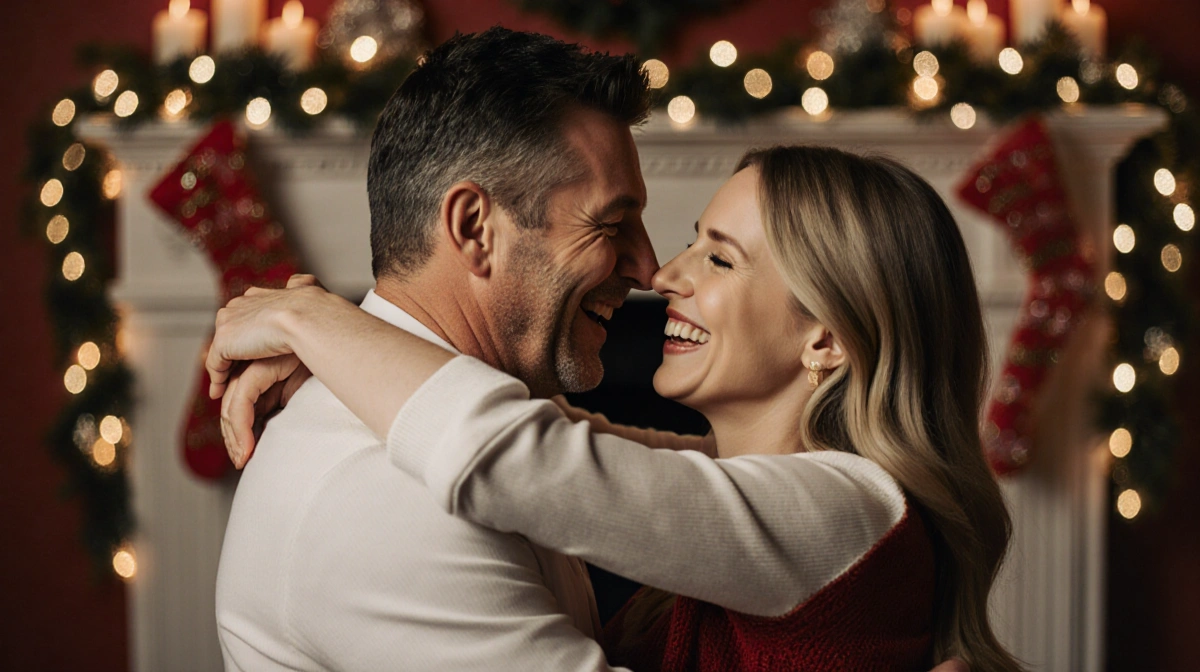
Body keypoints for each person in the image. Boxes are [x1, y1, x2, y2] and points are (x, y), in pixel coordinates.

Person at [209, 146, 1018, 670]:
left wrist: (311, 319)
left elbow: (525, 457)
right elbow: (568, 435)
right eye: (695, 239)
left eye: (721, 258)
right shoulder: (774, 499)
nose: (664, 275)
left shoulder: (847, 508)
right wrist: (342, 347)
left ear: (827, 342)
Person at [212, 27, 663, 670]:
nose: (648, 270)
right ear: (475, 229)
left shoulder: (488, 421)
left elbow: (689, 491)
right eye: (611, 225)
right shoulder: (385, 500)